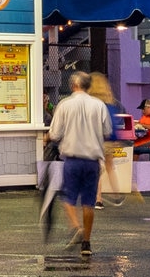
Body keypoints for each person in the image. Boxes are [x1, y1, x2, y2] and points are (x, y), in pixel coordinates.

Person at [45, 71, 112, 256]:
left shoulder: (65, 105)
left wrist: (46, 138)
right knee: (89, 203)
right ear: (88, 86)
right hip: (92, 161)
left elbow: (56, 134)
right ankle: (86, 244)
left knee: (68, 197)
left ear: (74, 85)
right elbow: (107, 131)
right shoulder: (99, 106)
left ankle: (76, 227)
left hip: (72, 160)